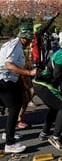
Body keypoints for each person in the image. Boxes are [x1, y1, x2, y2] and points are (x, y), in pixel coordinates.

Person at [0, 24, 40, 153]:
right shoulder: (16, 46)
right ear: (25, 38)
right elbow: (9, 64)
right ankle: (9, 143)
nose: (30, 43)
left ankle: (8, 132)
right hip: (5, 80)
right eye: (29, 40)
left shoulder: (13, 43)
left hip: (10, 79)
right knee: (14, 108)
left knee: (17, 103)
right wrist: (29, 73)